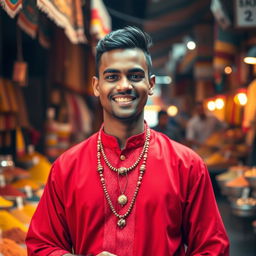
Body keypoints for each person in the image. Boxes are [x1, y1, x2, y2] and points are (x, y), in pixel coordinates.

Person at [26, 27, 229, 256]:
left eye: (135, 76)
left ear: (151, 84)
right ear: (96, 86)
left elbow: (213, 248)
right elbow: (41, 246)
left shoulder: (187, 165)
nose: (124, 86)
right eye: (112, 77)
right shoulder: (66, 167)